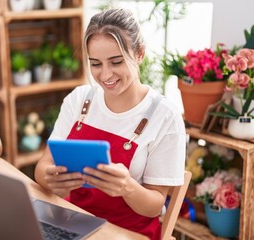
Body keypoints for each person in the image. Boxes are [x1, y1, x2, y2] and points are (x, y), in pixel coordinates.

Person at [34, 8, 186, 240]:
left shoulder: (165, 116)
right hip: (72, 222)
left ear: (139, 54)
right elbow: (43, 166)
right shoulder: (79, 100)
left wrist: (127, 187)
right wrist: (52, 179)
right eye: (95, 64)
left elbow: (155, 205)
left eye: (116, 62)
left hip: (128, 233)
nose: (105, 75)